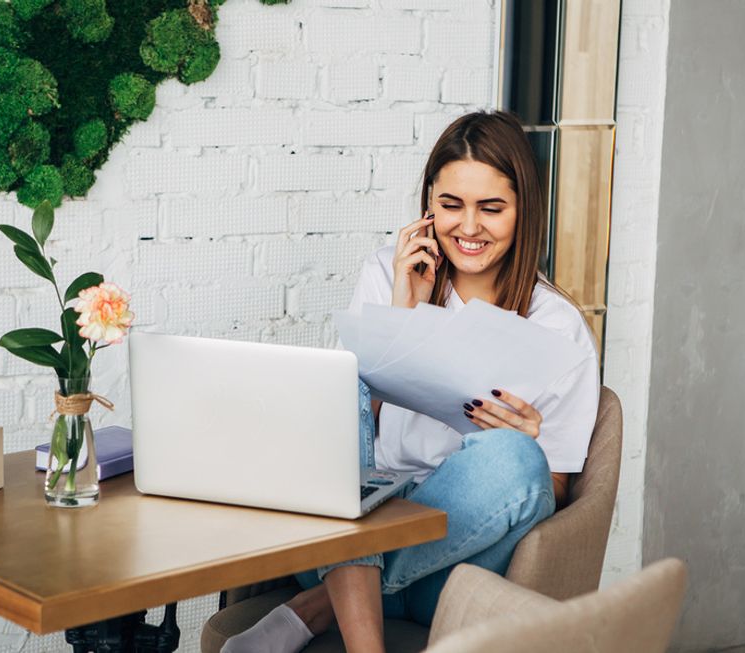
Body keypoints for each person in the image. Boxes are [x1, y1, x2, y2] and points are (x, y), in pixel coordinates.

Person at [221, 110, 600, 653]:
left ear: (523, 211)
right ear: (428, 205)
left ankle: (317, 609)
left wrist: (529, 441)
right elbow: (344, 431)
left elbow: (550, 493)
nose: (468, 228)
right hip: (357, 530)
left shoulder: (556, 325)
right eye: (451, 206)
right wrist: (401, 316)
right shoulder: (387, 272)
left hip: (460, 566)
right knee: (340, 385)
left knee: (516, 459)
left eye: (491, 209)